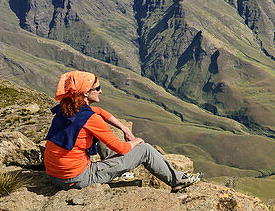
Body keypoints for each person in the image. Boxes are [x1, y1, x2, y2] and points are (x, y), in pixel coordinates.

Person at [44, 71, 202, 191]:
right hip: (77, 179)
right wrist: (136, 142)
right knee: (145, 150)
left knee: (97, 136)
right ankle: (179, 181)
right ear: (85, 93)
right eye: (97, 88)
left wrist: (124, 128)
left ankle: (118, 171)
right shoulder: (91, 120)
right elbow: (121, 148)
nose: (101, 91)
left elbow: (98, 111)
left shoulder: (66, 109)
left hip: (54, 176)